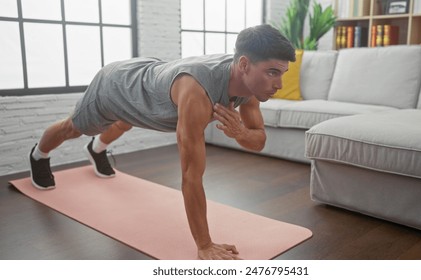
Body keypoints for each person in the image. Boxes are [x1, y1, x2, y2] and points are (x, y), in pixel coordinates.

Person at [28, 24, 295, 260]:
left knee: (127, 121)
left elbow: (258, 140)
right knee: (73, 128)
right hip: (117, 86)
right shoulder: (197, 92)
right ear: (245, 64)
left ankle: (97, 149)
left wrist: (241, 133)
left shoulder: (248, 86)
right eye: (272, 72)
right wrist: (204, 245)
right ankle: (39, 155)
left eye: (282, 73)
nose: (279, 84)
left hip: (150, 80)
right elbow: (191, 176)